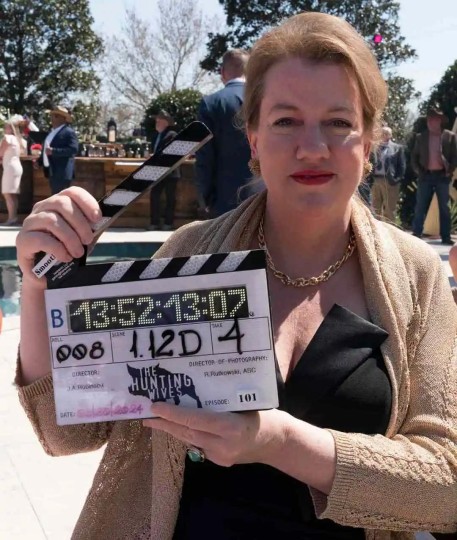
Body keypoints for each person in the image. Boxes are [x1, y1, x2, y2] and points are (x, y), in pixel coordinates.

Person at [14, 12, 456, 540]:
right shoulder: (187, 254)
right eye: (286, 121)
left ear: (369, 143)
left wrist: (278, 442)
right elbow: (66, 432)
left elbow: (447, 484)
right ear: (253, 139)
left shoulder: (417, 275)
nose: (312, 147)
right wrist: (38, 285)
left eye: (338, 122)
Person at [195, 49, 253, 217]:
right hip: (267, 194)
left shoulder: (211, 103)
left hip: (225, 197)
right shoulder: (266, 100)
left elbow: (204, 156)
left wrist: (206, 197)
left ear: (222, 72)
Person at [411, 105, 457, 245]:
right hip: (425, 176)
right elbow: (414, 157)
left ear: (439, 121)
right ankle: (416, 234)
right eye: (429, 120)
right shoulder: (421, 137)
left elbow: (455, 157)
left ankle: (446, 236)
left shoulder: (449, 136)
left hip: (442, 176)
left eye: (433, 120)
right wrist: (419, 171)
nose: (430, 123)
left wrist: (449, 171)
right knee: (420, 206)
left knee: (444, 208)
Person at [148, 110, 179, 231]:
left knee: (170, 198)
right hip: (157, 172)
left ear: (165, 122)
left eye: (159, 120)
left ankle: (168, 223)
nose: (156, 122)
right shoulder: (156, 135)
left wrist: (155, 156)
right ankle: (154, 222)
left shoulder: (171, 134)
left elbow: (170, 152)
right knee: (154, 196)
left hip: (170, 172)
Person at [39, 106, 79, 195]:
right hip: (52, 171)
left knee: (61, 197)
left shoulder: (69, 132)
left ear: (63, 119)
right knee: (55, 196)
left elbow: (73, 149)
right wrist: (39, 161)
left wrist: (54, 151)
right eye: (52, 115)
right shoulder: (51, 132)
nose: (52, 118)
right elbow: (46, 149)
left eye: (56, 116)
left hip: (62, 172)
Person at [370, 126, 406, 222]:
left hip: (390, 181)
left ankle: (389, 228)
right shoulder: (374, 147)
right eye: (382, 133)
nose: (384, 135)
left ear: (390, 135)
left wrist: (397, 179)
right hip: (376, 180)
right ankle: (376, 228)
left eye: (386, 133)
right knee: (375, 207)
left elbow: (402, 165)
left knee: (389, 209)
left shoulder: (397, 148)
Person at [0, 116, 27, 225]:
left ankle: (11, 218)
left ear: (11, 128)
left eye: (6, 127)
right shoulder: (19, 140)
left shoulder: (8, 138)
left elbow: (0, 152)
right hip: (16, 167)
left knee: (7, 193)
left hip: (10, 167)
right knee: (13, 194)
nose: (4, 129)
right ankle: (13, 217)